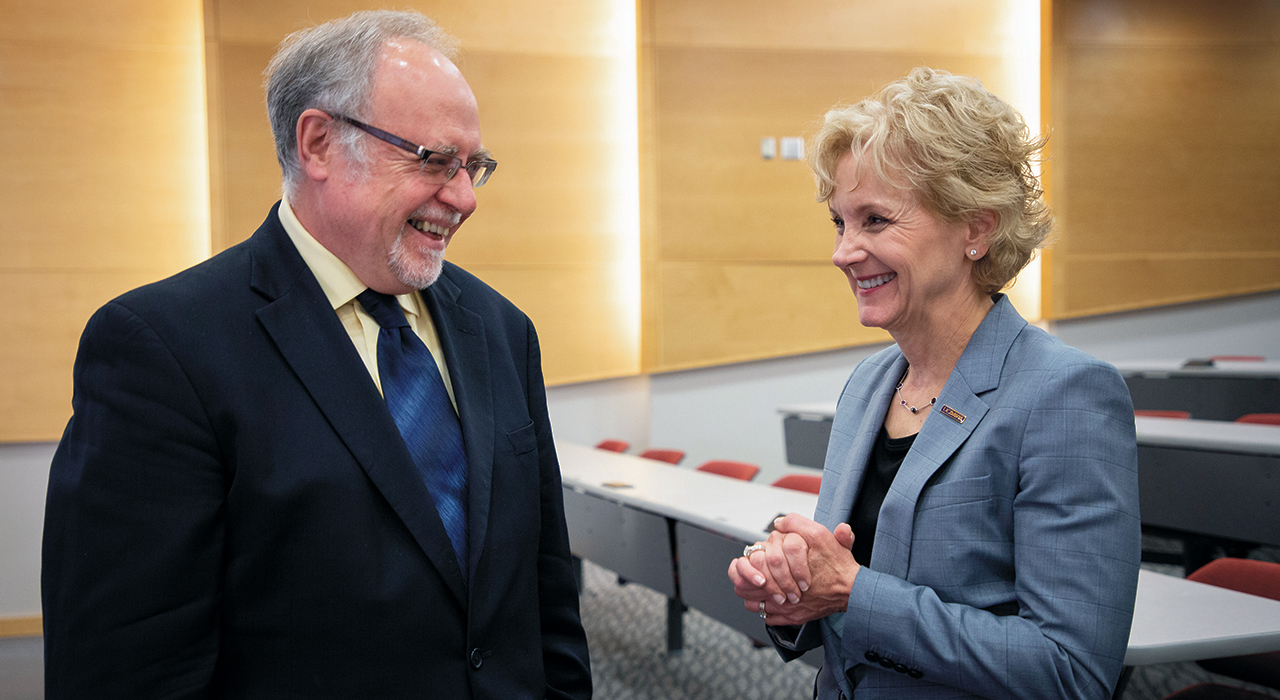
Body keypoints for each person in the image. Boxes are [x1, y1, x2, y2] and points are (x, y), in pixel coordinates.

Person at [42, 10, 591, 699]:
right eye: (435, 160)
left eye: (474, 165)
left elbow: (546, 598)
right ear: (320, 143)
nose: (465, 197)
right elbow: (127, 667)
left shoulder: (503, 331)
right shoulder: (162, 349)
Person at [728, 67, 1140, 699]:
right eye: (841, 222)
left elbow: (1070, 673)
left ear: (976, 228)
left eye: (875, 220)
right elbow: (846, 603)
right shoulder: (869, 384)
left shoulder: (1066, 396)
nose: (844, 251)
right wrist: (791, 592)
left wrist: (852, 593)